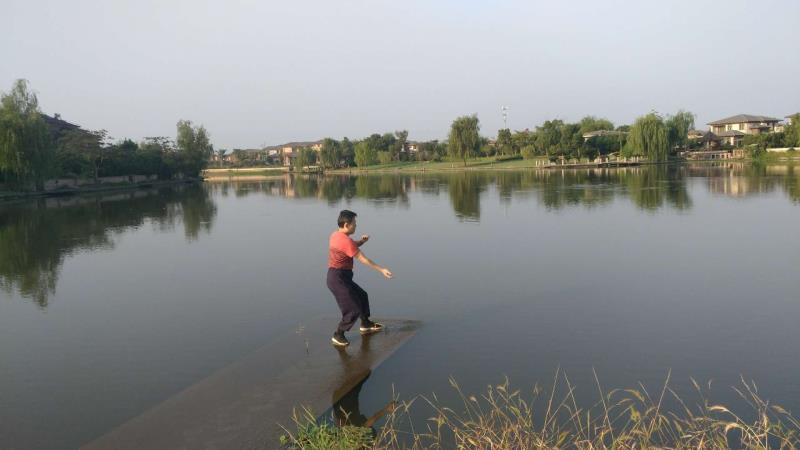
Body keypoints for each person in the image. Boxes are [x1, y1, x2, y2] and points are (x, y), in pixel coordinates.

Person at [327, 210, 393, 347]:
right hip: (338, 279)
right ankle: (338, 334)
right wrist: (381, 270)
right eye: (354, 223)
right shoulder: (345, 241)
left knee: (362, 296)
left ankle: (365, 324)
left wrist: (362, 241)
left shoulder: (336, 235)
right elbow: (363, 259)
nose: (356, 225)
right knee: (352, 309)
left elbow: (350, 245)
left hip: (340, 277)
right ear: (346, 225)